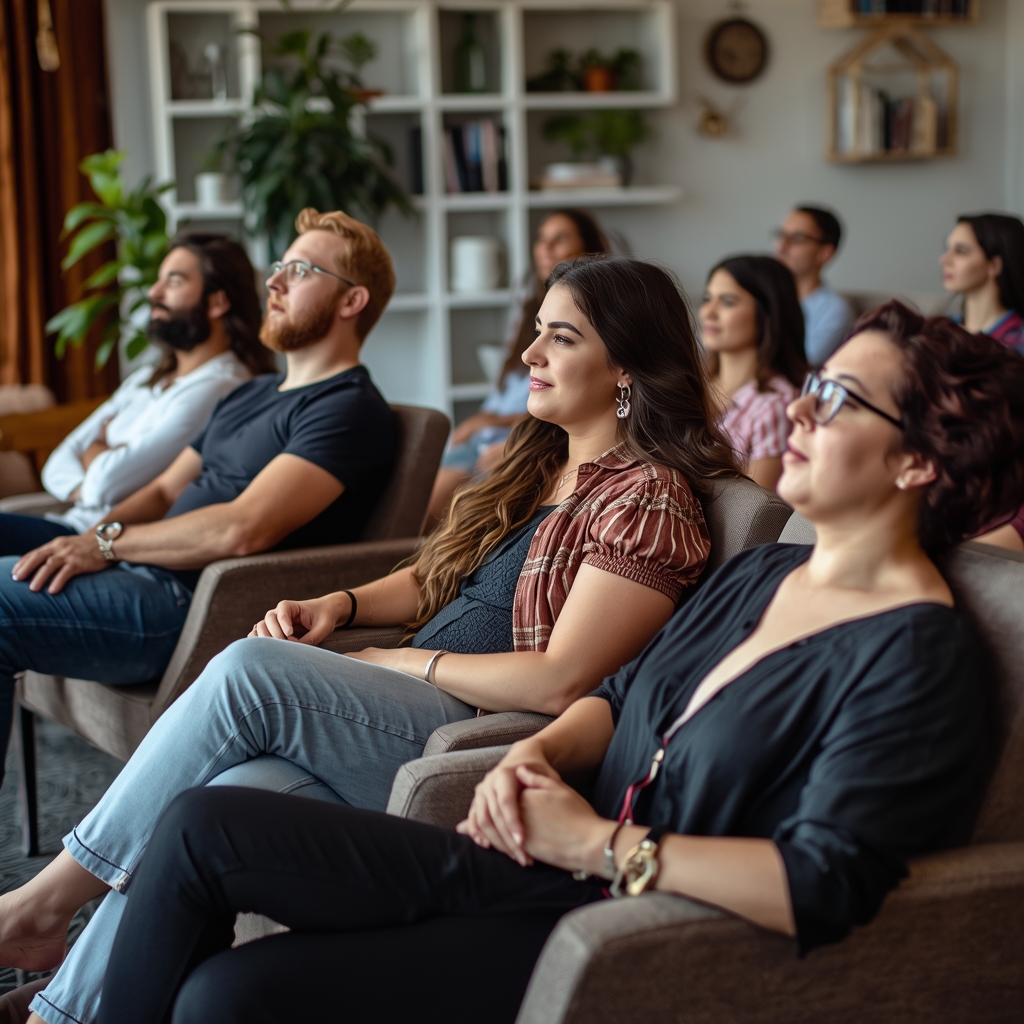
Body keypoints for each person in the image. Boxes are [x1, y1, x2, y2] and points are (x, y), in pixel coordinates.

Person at [44, 302, 1024, 1024]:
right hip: (541, 849)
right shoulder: (767, 570)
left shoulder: (915, 652)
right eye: (810, 388)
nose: (799, 417)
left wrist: (597, 845)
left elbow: (824, 881)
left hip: (620, 907)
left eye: (839, 400)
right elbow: (614, 692)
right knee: (204, 821)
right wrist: (538, 756)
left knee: (225, 996)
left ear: (919, 460)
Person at [0, 256, 740, 1024]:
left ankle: (41, 903)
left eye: (561, 337)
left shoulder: (649, 496)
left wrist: (396, 656)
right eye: (537, 332)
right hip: (408, 698)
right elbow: (430, 579)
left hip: (470, 730)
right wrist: (341, 605)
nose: (530, 354)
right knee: (212, 801)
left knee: (252, 671)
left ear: (625, 368)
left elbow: (563, 681)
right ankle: (66, 1011)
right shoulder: (540, 466)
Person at [0, 208, 400, 786]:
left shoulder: (348, 408)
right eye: (279, 266)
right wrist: (91, 539)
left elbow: (242, 527)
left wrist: (107, 545)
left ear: (351, 301)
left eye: (302, 269)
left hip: (179, 601)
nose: (275, 281)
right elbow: (164, 488)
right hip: (135, 561)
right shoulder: (253, 392)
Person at [0, 235, 273, 556]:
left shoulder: (221, 388)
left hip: (103, 545)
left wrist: (94, 452)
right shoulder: (145, 379)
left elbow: (108, 483)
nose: (154, 293)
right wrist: (102, 466)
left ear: (217, 302)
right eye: (158, 281)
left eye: (174, 281)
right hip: (69, 527)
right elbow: (56, 465)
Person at [426, 209, 609, 528]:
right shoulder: (527, 309)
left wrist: (508, 430)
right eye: (541, 240)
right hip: (495, 431)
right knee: (423, 508)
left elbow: (576, 402)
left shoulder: (601, 314)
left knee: (444, 511)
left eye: (560, 239)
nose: (530, 355)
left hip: (525, 434)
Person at [700, 254, 807, 490]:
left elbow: (757, 513)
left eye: (727, 302)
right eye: (707, 299)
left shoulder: (775, 405)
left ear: (767, 313)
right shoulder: (691, 382)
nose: (708, 312)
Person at [774, 205, 853, 366]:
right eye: (781, 235)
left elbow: (802, 365)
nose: (781, 246)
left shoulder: (834, 309)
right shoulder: (762, 296)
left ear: (825, 252)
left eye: (797, 238)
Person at [941, 212, 1024, 353]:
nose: (944, 260)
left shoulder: (1018, 343)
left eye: (961, 251)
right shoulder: (939, 330)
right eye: (948, 249)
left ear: (994, 265)